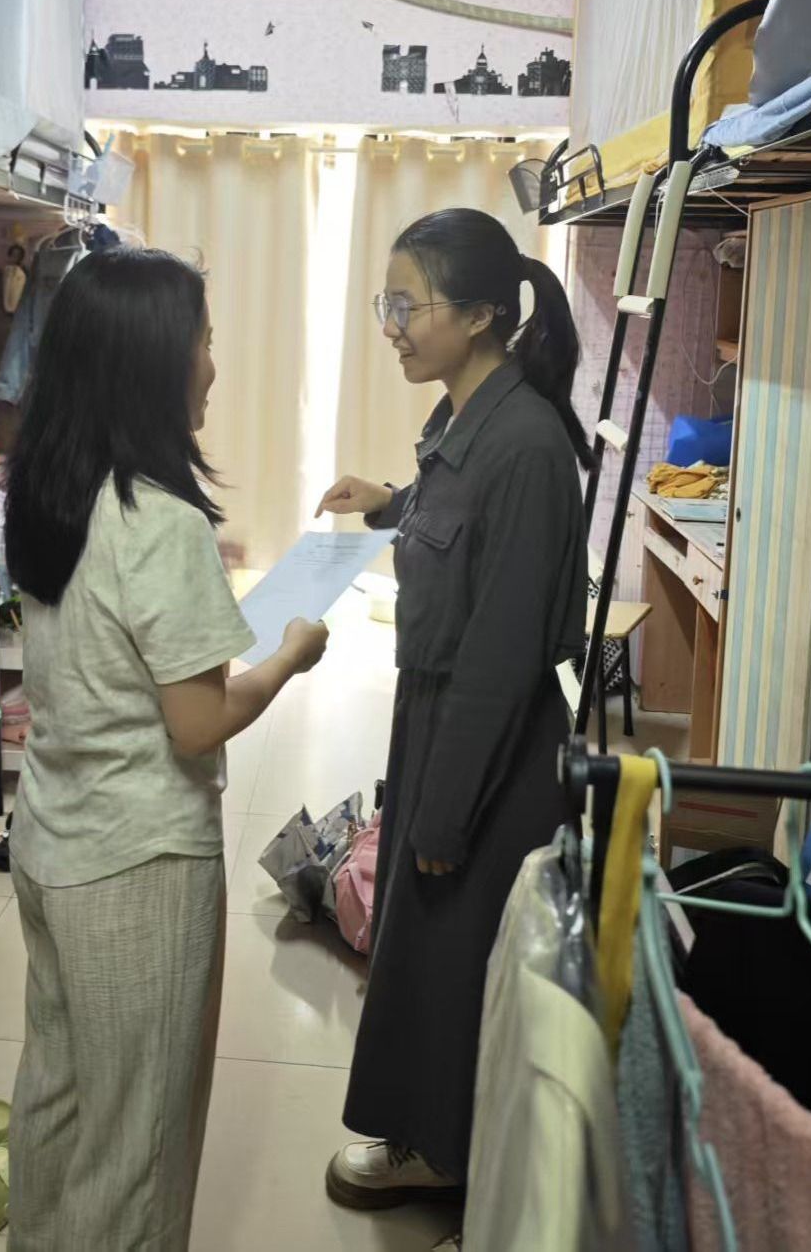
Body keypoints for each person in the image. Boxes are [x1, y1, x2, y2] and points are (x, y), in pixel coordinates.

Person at [4, 245, 329, 1252]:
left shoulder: (50, 487)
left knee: (59, 1091)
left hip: (53, 838)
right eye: (203, 341)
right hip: (138, 864)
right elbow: (198, 720)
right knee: (137, 1140)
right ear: (149, 360)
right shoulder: (159, 516)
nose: (213, 365)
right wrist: (288, 657)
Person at [316, 208, 591, 1232]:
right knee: (426, 942)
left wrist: (444, 808)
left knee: (460, 946)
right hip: (440, 718)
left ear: (477, 316)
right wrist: (390, 500)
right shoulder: (465, 419)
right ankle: (434, 1142)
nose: (392, 326)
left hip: (490, 739)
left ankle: (467, 1173)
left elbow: (502, 655)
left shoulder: (526, 445)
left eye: (408, 305)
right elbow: (457, 518)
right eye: (385, 303)